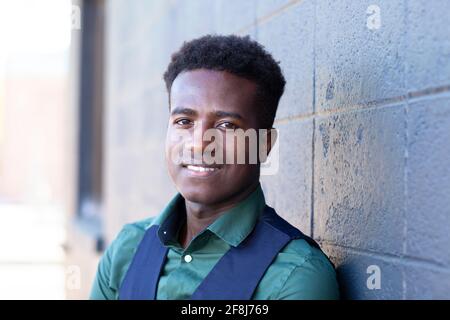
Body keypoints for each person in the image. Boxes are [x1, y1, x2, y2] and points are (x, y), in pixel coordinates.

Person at [90, 34, 339, 300]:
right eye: (184, 121)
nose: (198, 144)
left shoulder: (295, 276)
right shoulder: (127, 249)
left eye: (226, 125)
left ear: (264, 144)